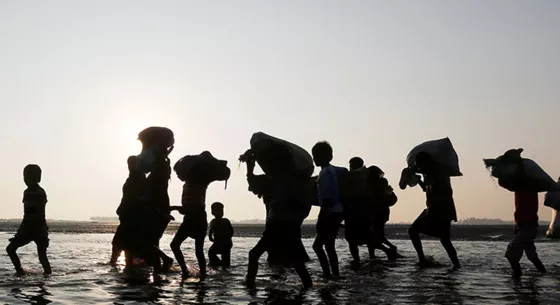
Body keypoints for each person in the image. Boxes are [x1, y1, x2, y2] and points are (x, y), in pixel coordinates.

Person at [243, 146, 313, 288]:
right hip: (283, 226)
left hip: (280, 226)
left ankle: (250, 286)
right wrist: (250, 165)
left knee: (256, 255)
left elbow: (254, 183)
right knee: (295, 262)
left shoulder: (284, 181)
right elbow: (253, 182)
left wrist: (250, 166)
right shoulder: (279, 180)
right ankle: (307, 287)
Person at [406, 152, 461, 269]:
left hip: (438, 209)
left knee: (413, 230)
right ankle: (456, 266)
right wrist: (420, 181)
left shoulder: (435, 172)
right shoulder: (433, 172)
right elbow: (427, 189)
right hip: (443, 209)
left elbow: (434, 188)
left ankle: (422, 260)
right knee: (445, 240)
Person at [498, 149, 547, 277]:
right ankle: (541, 275)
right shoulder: (519, 183)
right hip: (523, 223)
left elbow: (506, 180)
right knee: (531, 255)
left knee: (511, 254)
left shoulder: (526, 182)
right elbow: (503, 182)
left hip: (528, 223)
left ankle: (517, 280)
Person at [170, 161, 212, 280]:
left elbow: (192, 208)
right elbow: (187, 209)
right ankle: (190, 272)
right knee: (197, 250)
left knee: (182, 247)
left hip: (195, 220)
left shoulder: (199, 185)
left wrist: (174, 208)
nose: (178, 176)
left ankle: (190, 272)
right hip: (192, 219)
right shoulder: (188, 185)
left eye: (179, 173)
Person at [6, 164, 52, 275]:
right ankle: (45, 276)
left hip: (34, 227)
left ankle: (20, 271)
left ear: (37, 178)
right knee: (42, 257)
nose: (25, 179)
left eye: (28, 176)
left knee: (11, 249)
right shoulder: (35, 192)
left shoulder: (33, 193)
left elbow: (31, 215)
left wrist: (20, 233)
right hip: (36, 227)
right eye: (24, 176)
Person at [312, 141, 346, 279]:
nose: (314, 159)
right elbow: (343, 170)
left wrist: (321, 217)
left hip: (330, 213)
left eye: (315, 156)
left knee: (317, 246)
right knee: (329, 246)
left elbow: (327, 198)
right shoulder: (332, 170)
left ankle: (328, 274)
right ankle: (334, 274)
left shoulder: (326, 173)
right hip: (337, 212)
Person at [110, 156, 147, 267]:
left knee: (126, 245)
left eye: (132, 164)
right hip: (126, 215)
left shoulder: (140, 178)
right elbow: (125, 197)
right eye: (129, 164)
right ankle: (115, 265)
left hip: (134, 217)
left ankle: (126, 266)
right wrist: (121, 207)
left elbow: (138, 197)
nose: (130, 167)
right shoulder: (130, 179)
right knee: (118, 244)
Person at [368, 165, 399, 258]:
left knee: (373, 235)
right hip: (382, 213)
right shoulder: (383, 183)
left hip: (376, 213)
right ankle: (389, 248)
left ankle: (376, 254)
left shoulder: (372, 184)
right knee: (377, 234)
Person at [208, 202, 234, 268]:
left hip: (226, 244)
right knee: (211, 253)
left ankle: (220, 264)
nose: (220, 213)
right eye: (218, 211)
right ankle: (217, 264)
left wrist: (227, 238)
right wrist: (213, 240)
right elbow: (210, 234)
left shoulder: (226, 221)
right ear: (212, 212)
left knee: (225, 259)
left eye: (221, 211)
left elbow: (231, 231)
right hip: (218, 243)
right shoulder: (213, 222)